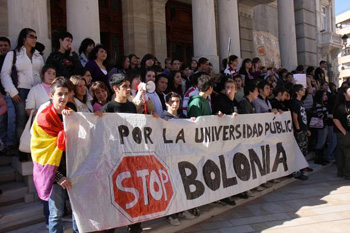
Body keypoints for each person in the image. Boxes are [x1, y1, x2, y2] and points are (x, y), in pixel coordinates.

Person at [31, 77, 78, 233]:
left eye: (66, 94)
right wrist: (58, 177)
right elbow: (40, 153)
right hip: (54, 175)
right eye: (59, 94)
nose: (63, 98)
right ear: (51, 96)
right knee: (56, 215)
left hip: (73, 170)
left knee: (78, 213)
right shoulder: (43, 118)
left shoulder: (71, 114)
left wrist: (72, 120)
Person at [102, 73, 144, 233]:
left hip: (130, 155)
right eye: (124, 87)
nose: (128, 89)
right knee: (113, 192)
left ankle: (134, 225)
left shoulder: (132, 106)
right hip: (113, 157)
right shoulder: (109, 108)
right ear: (115, 88)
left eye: (128, 86)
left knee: (132, 190)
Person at [1, 28, 45, 160]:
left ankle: (36, 149)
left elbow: (43, 73)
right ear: (24, 38)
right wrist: (12, 91)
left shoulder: (38, 55)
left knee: (36, 120)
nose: (34, 39)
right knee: (21, 120)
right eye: (31, 36)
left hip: (36, 90)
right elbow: (4, 74)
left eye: (36, 37)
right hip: (20, 91)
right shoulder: (13, 54)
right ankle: (22, 150)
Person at [0, 36, 17, 156]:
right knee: (2, 121)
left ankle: (10, 144)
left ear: (10, 46)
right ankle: (4, 145)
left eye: (5, 45)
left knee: (12, 119)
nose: (3, 48)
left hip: (13, 94)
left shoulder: (14, 59)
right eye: (0, 46)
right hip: (2, 95)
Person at [290, 84, 309, 180]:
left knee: (304, 150)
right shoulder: (294, 102)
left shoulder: (301, 102)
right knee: (299, 151)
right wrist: (298, 130)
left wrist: (306, 129)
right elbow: (295, 118)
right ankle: (298, 171)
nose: (303, 91)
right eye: (301, 90)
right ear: (297, 92)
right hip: (299, 130)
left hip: (304, 129)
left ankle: (303, 168)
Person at [332, 86, 350, 180]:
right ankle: (347, 173)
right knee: (347, 153)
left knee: (344, 152)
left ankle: (342, 171)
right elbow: (335, 119)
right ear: (344, 93)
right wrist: (343, 131)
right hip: (343, 132)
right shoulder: (340, 106)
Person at [312, 90, 330, 165]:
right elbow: (320, 115)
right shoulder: (318, 104)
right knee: (320, 142)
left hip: (324, 125)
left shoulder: (323, 104)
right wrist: (328, 116)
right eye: (324, 95)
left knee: (323, 142)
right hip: (320, 126)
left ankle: (321, 158)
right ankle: (318, 158)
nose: (325, 96)